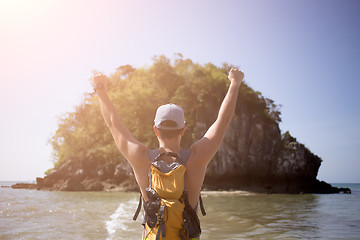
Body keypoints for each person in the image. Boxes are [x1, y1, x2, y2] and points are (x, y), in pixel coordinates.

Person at [92, 67, 244, 239]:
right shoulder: (196, 158)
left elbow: (113, 123)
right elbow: (223, 120)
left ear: (156, 130)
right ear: (183, 130)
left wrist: (100, 88)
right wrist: (235, 82)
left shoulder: (140, 156)